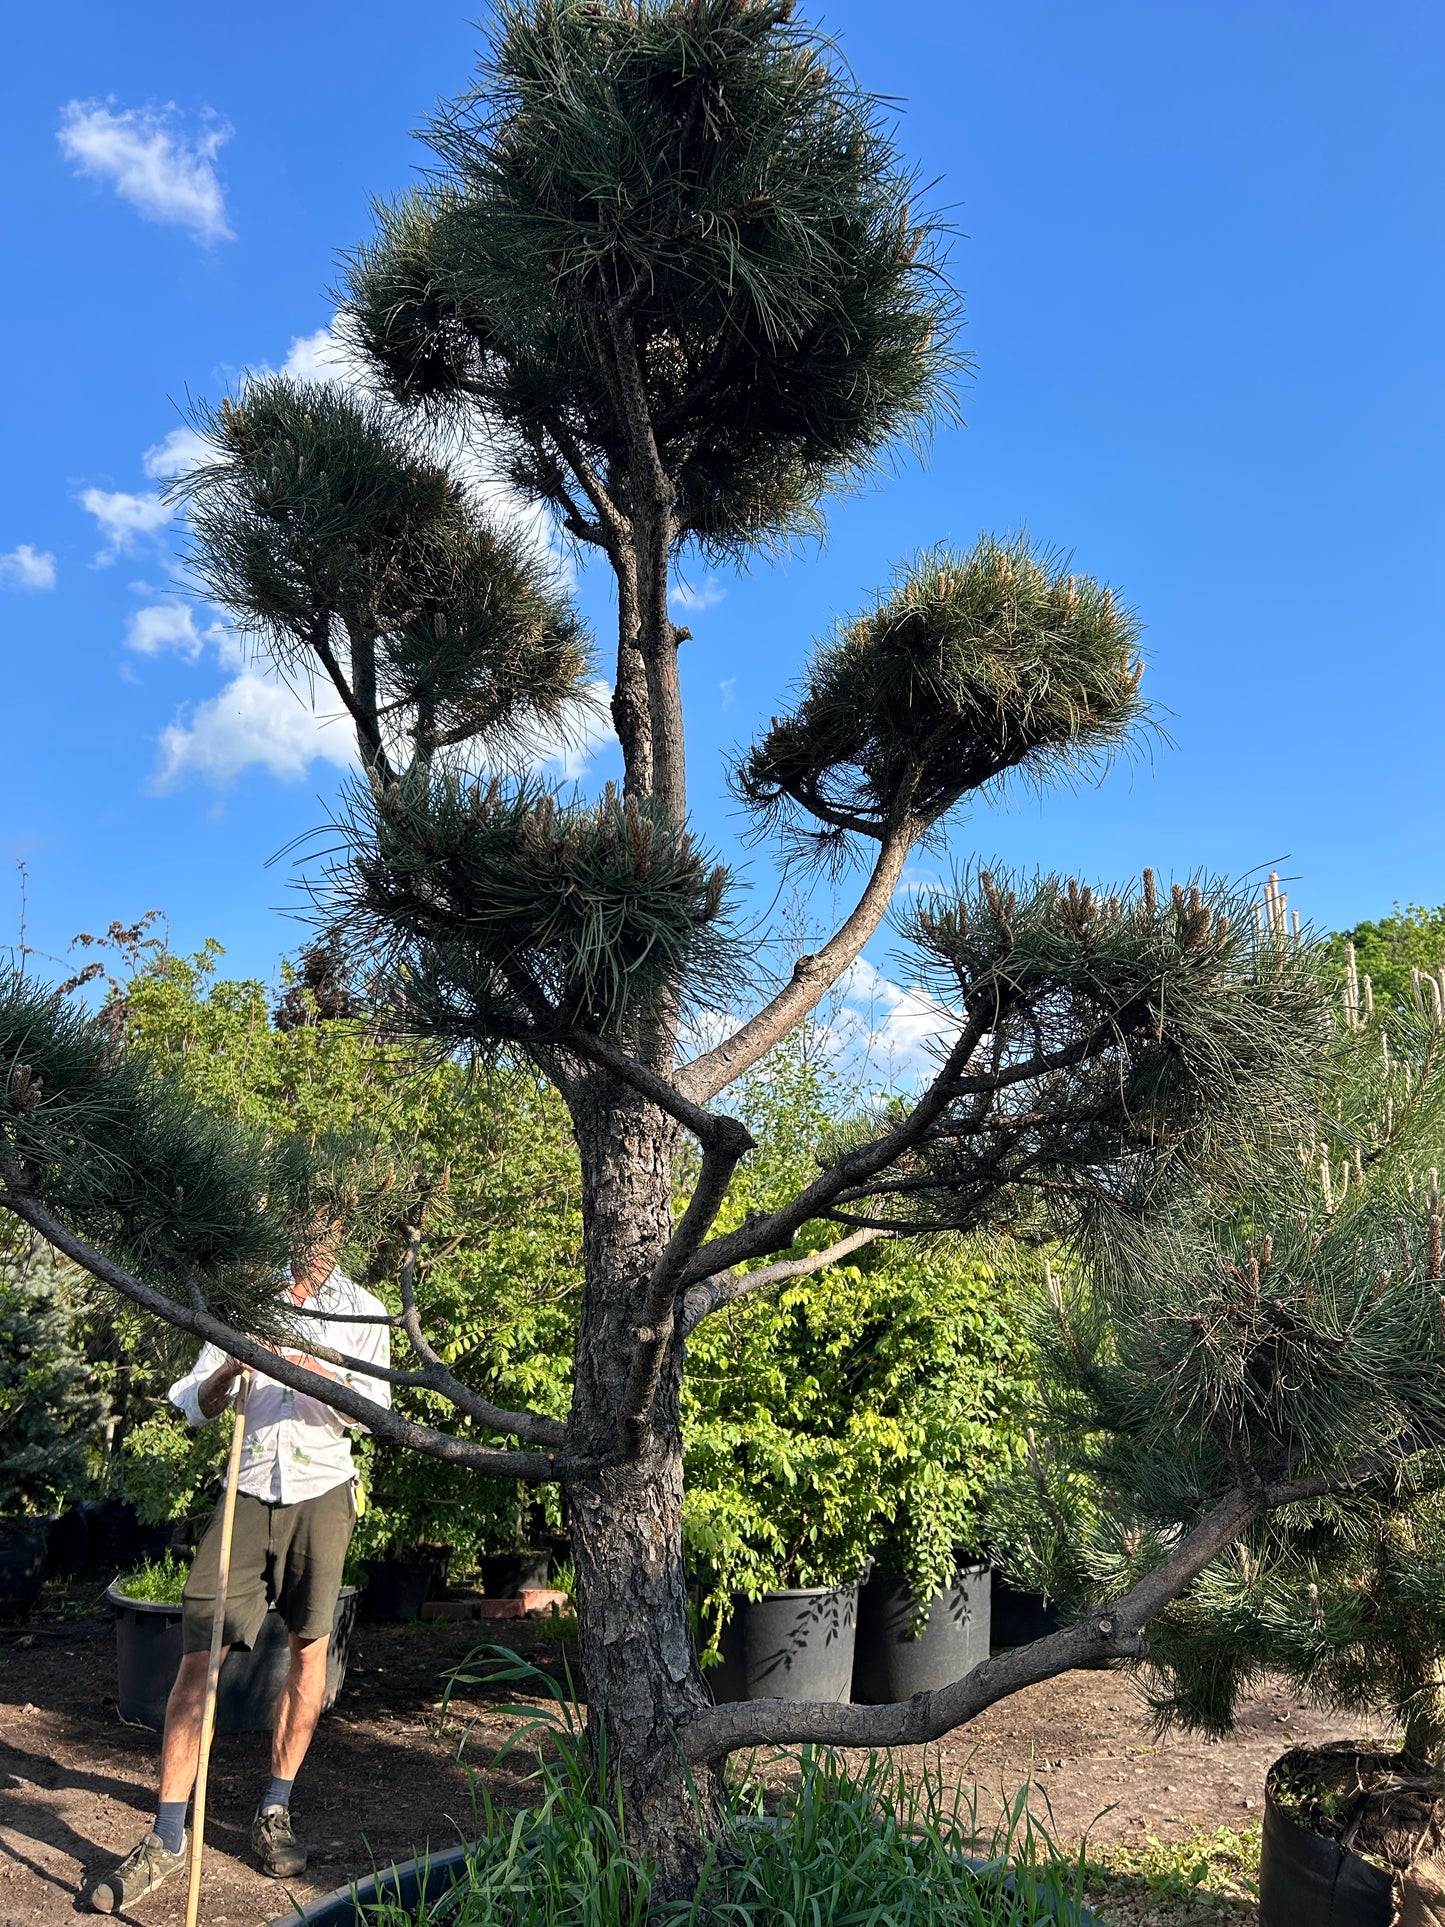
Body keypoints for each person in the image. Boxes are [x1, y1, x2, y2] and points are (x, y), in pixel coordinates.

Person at [86, 1222, 391, 1914]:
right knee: (199, 1654)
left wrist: (308, 1366)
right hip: (248, 1486)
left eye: (325, 1225)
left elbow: (376, 1414)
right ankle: (167, 1836)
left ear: (343, 1228)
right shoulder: (246, 1300)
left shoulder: (364, 1308)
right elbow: (190, 1402)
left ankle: (274, 1809)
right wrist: (229, 1370)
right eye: (300, 1226)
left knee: (310, 1649)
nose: (311, 1239)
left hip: (322, 1489)